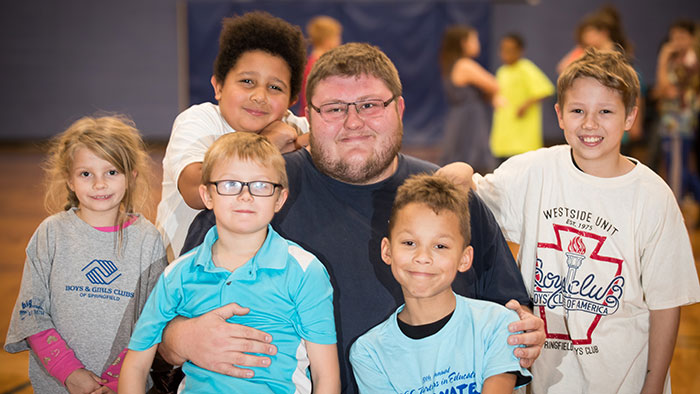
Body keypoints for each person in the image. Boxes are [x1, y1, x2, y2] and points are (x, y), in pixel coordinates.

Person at [165, 42, 545, 394]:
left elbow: (510, 317)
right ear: (307, 117)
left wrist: (525, 330)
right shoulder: (256, 192)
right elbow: (164, 331)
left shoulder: (447, 198)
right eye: (333, 109)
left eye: (369, 105)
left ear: (398, 108)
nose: (352, 123)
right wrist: (181, 340)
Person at [471, 48, 700, 393]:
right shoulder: (533, 172)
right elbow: (470, 201)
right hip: (548, 383)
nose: (590, 124)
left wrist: (652, 388)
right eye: (578, 111)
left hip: (624, 382)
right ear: (560, 115)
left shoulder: (653, 197)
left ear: (629, 118)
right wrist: (458, 174)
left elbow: (666, 307)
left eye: (605, 111)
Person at [119, 132, 339, 393]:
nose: (245, 196)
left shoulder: (305, 271)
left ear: (279, 199)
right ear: (208, 196)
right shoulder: (177, 274)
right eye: (230, 184)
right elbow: (135, 366)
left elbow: (327, 377)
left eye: (260, 185)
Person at [4, 116, 167, 393]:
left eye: (112, 172)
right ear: (69, 179)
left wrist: (117, 381)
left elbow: (152, 322)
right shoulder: (50, 234)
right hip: (58, 385)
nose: (99, 184)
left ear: (132, 176)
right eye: (86, 174)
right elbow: (31, 315)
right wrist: (70, 374)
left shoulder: (147, 240)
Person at [349, 174, 532, 394]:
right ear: (387, 251)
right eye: (409, 243)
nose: (423, 257)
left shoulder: (498, 324)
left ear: (465, 258)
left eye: (440, 246)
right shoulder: (369, 352)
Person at [156, 11, 309, 260]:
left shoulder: (294, 126)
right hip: (184, 278)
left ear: (292, 100)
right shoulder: (199, 121)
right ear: (218, 87)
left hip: (253, 280)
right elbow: (196, 191)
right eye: (247, 81)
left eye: (275, 87)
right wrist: (265, 144)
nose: (259, 96)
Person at [438, 25, 499, 173]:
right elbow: (494, 84)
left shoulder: (454, 64)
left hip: (461, 117)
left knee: (462, 158)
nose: (477, 43)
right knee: (471, 160)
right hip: (469, 119)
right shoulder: (464, 64)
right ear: (463, 43)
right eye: (474, 39)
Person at [653, 19, 700, 201]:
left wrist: (663, 58)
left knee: (678, 170)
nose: (675, 42)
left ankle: (676, 208)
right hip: (672, 122)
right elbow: (661, 91)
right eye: (673, 37)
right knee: (680, 166)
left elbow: (665, 89)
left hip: (680, 124)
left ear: (691, 38)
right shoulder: (680, 60)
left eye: (681, 37)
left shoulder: (689, 63)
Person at [491, 33, 554, 160]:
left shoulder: (526, 68)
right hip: (504, 127)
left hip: (522, 132)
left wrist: (525, 105)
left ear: (520, 51)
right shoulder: (502, 71)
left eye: (510, 50)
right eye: (503, 50)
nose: (506, 54)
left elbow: (545, 90)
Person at [299, 15, 342, 117]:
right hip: (316, 117)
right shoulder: (320, 65)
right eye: (337, 37)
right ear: (328, 40)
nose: (339, 41)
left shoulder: (312, 61)